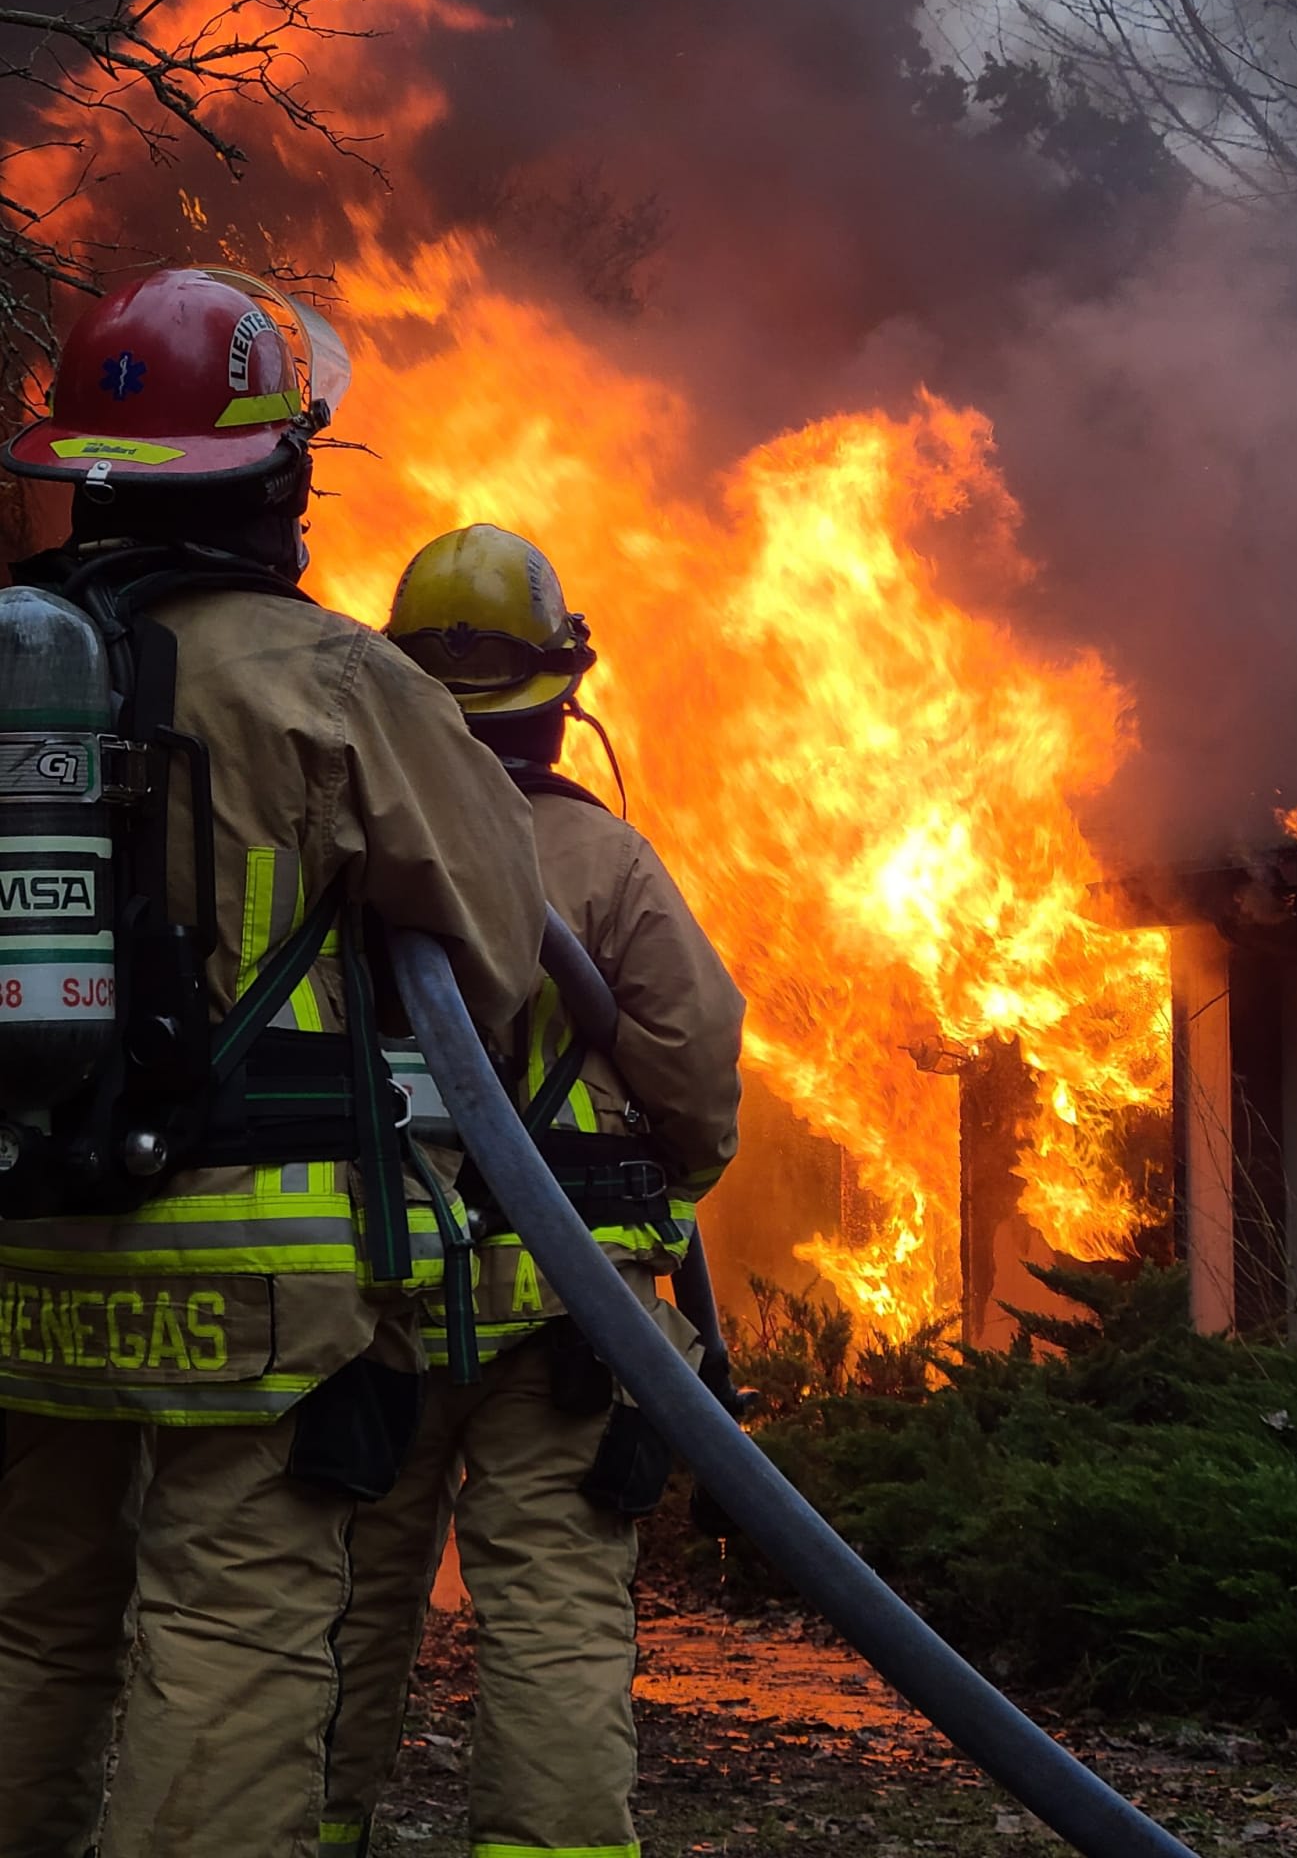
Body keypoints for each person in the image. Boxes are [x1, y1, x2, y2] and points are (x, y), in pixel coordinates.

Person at [0, 273, 546, 1858]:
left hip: (31, 1232)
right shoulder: (333, 678)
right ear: (279, 477)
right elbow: (501, 943)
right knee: (230, 1628)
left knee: (31, 1621)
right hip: (258, 1267)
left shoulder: (20, 674)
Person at [321, 523, 744, 1858]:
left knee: (333, 1598)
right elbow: (695, 1076)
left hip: (366, 1299)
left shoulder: (332, 850)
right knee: (554, 1610)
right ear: (564, 696)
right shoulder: (605, 866)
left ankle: (305, 1832)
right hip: (571, 1317)